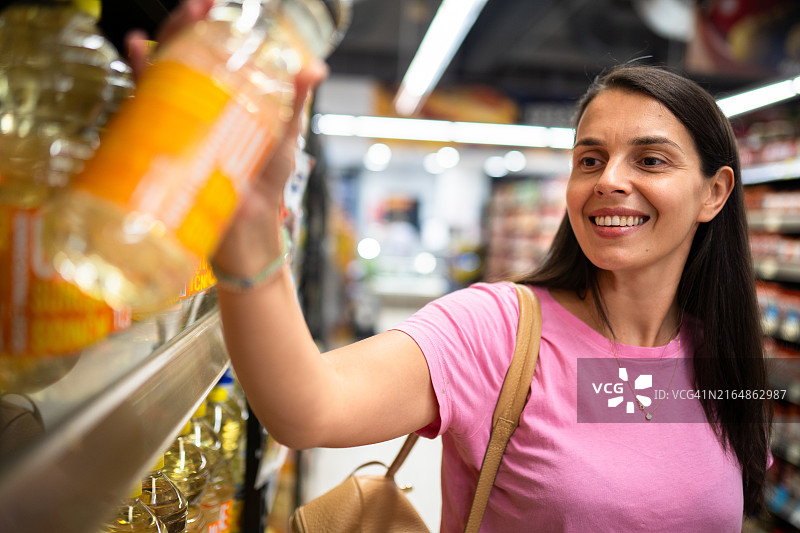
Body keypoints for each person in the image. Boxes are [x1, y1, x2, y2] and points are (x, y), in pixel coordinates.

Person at [134, 2, 771, 531]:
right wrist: (250, 244)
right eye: (590, 158)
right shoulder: (498, 330)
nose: (610, 181)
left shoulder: (724, 352)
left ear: (714, 194)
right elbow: (308, 408)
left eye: (651, 161)